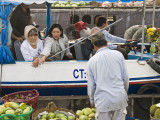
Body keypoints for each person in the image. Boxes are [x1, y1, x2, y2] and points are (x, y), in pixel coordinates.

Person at [87, 32, 129, 120]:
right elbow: (125, 78)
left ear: (94, 46)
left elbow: (91, 86)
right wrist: (123, 92)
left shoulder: (92, 61)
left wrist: (92, 101)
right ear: (106, 43)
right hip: (119, 97)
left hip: (103, 100)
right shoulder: (118, 55)